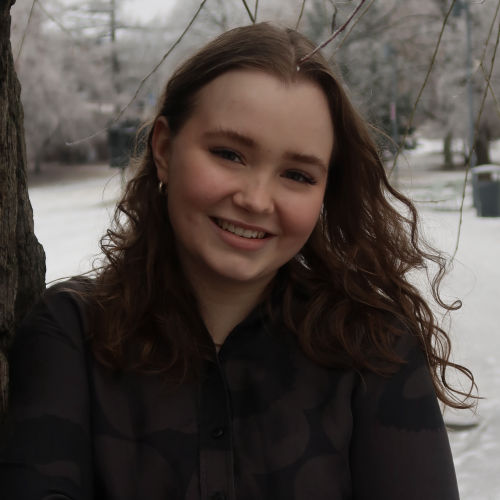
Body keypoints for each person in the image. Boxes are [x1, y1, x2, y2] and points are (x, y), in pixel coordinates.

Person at [0, 22, 474, 500]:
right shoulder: (72, 336)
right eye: (229, 154)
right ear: (164, 149)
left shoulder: (373, 346)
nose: (256, 199)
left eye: (297, 175)